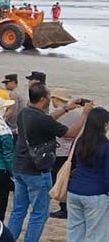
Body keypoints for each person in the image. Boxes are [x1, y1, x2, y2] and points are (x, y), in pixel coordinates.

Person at [8, 83, 91, 242]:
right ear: (44, 99)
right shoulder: (41, 119)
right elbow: (70, 134)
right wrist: (85, 113)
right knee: (39, 213)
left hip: (20, 166)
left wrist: (66, 108)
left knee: (18, 210)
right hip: (36, 171)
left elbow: (47, 119)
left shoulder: (25, 113)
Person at [64, 107, 109, 242]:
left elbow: (74, 164)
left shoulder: (80, 141)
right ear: (104, 125)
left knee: (75, 232)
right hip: (96, 193)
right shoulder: (105, 146)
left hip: (75, 191)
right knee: (97, 236)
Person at [49, 89, 84, 219]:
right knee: (67, 179)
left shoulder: (60, 115)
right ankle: (66, 207)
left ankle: (64, 208)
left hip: (59, 151)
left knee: (58, 179)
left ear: (57, 99)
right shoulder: (78, 114)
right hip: (71, 151)